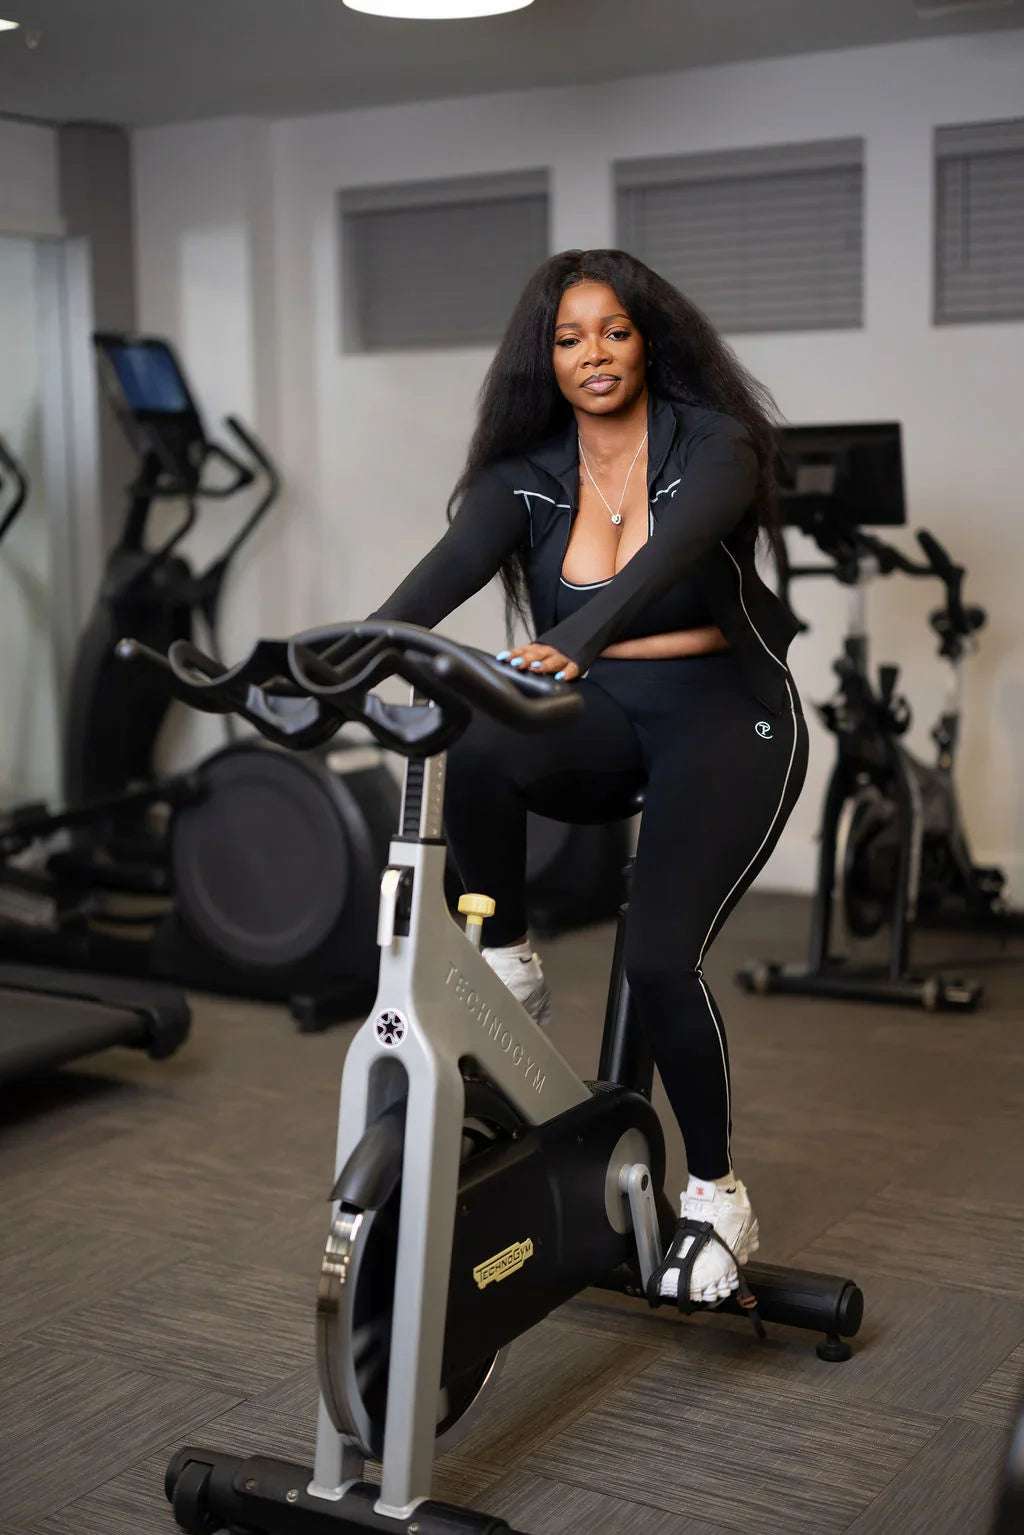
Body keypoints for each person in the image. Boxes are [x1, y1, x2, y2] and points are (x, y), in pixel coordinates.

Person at [368, 248, 807, 1306]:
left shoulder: (718, 445)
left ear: (646, 338)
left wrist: (573, 633)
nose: (593, 354)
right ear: (545, 357)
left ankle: (715, 1189)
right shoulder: (522, 475)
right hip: (606, 713)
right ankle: (507, 946)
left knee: (659, 960)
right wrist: (334, 657)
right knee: (468, 730)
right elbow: (427, 589)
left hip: (725, 716)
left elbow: (666, 560)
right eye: (569, 338)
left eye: (612, 330)